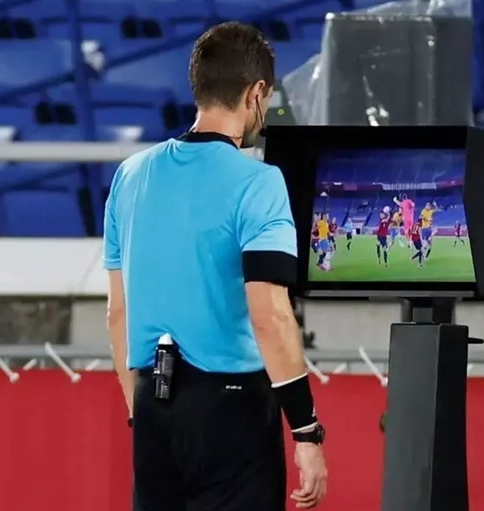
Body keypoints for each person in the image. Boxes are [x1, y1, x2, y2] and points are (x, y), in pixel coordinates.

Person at [102, 22, 328, 511]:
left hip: (153, 403)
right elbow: (270, 315)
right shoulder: (259, 183)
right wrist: (306, 430)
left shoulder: (130, 175)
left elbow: (118, 313)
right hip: (233, 410)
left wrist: (139, 409)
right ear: (256, 93)